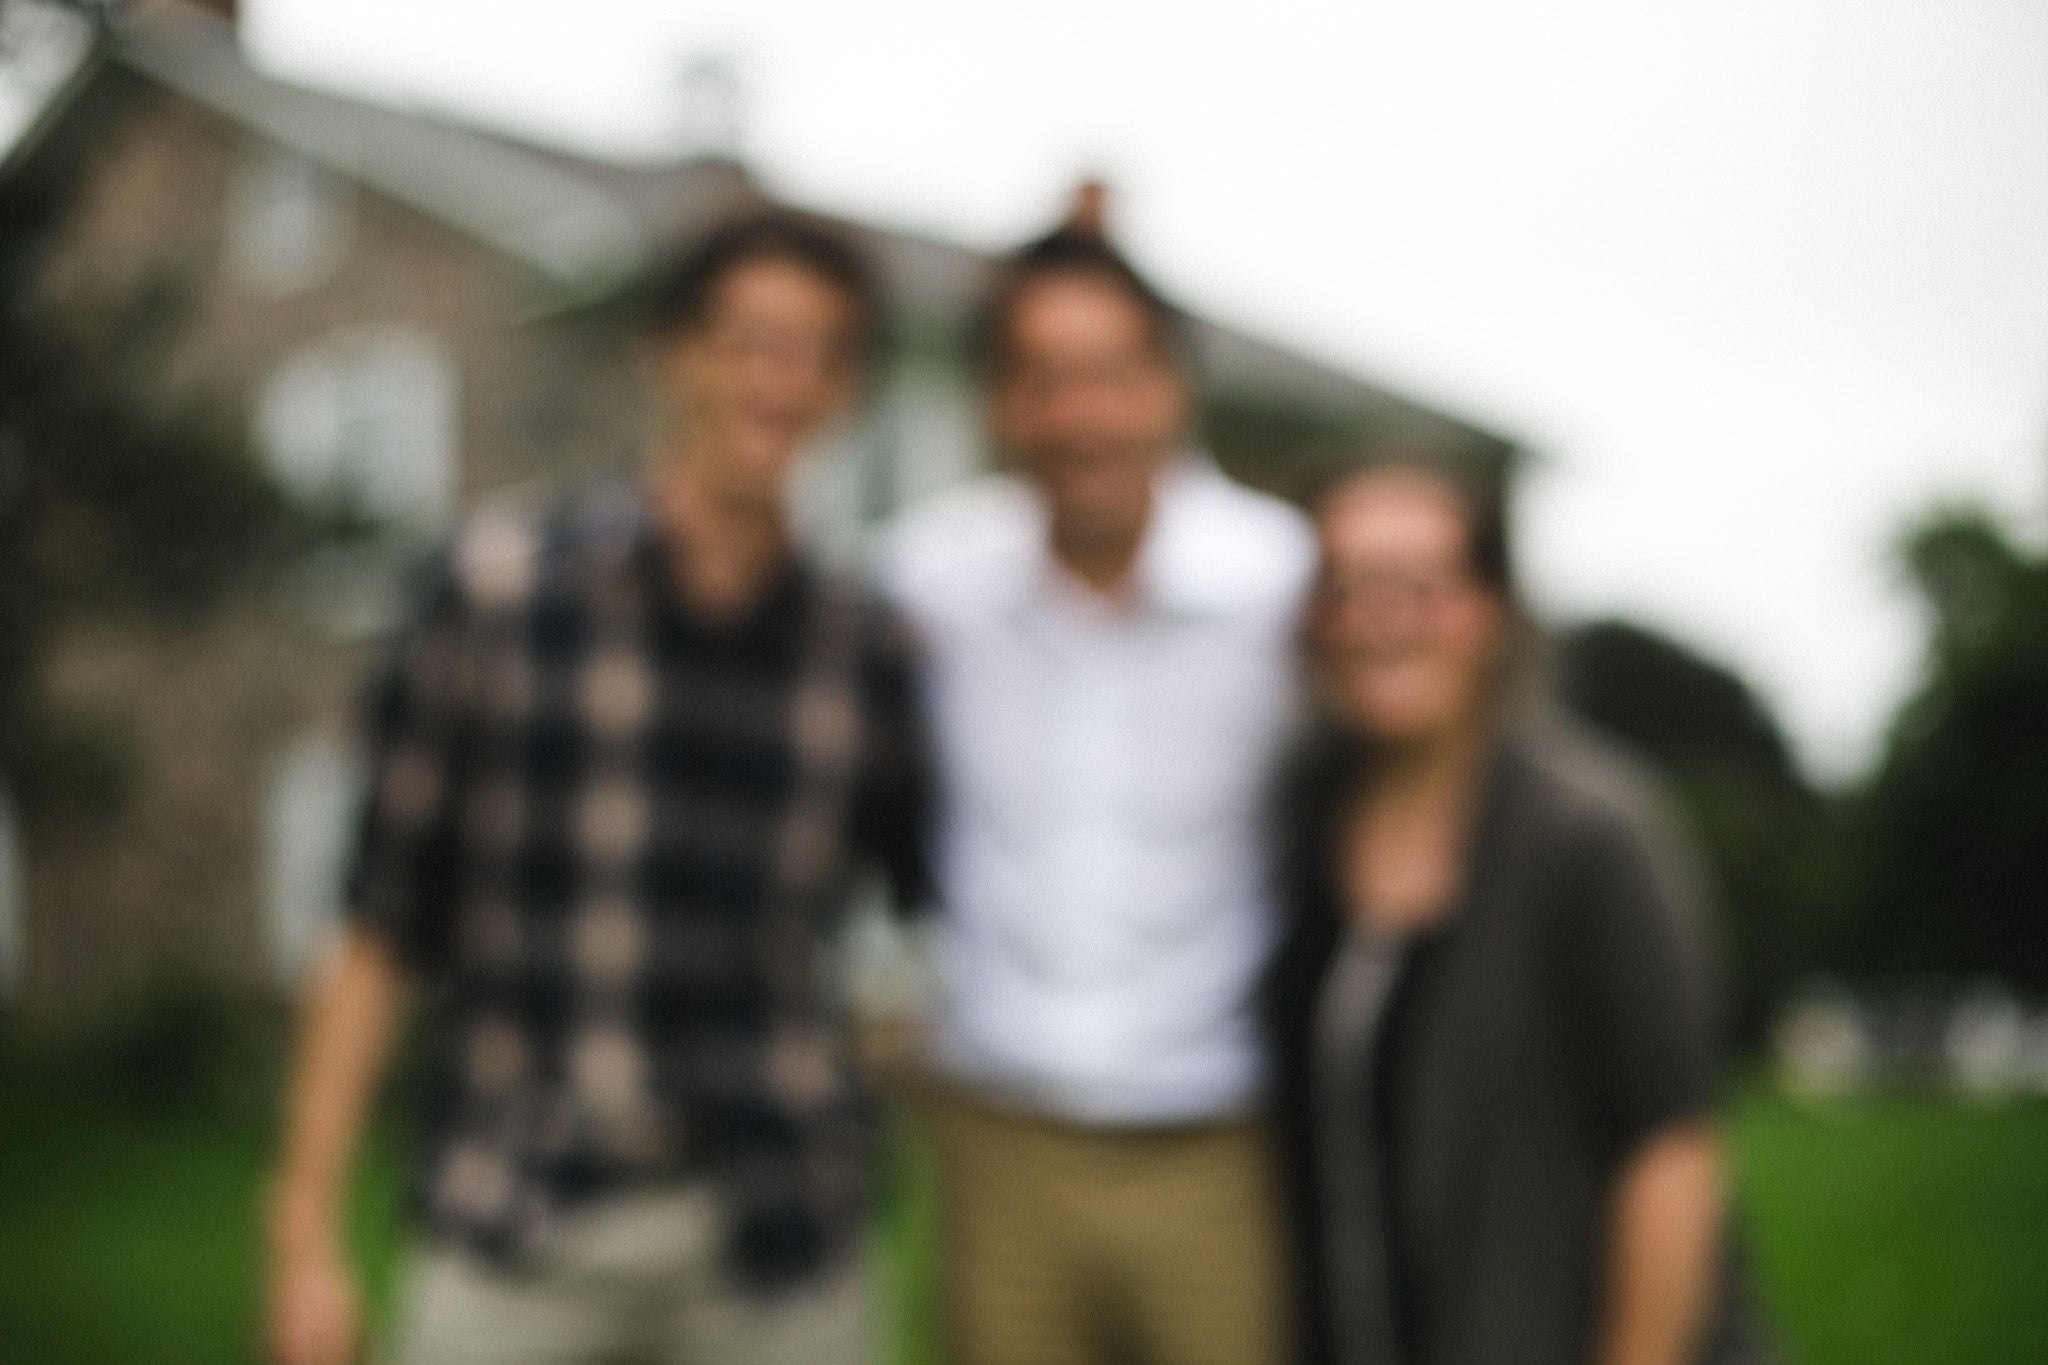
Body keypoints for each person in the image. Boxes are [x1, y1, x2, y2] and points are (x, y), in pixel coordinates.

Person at [262, 211, 928, 1365]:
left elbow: (923, 905)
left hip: (778, 1240)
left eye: (819, 353)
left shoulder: (865, 646)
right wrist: (304, 1235)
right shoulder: (497, 595)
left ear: (846, 393)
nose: (780, 381)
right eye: (749, 341)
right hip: (520, 1219)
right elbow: (378, 924)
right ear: (670, 353)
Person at [877, 222, 1312, 1365]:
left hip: (1218, 1138)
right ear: (996, 404)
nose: (1079, 417)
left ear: (1173, 390)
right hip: (998, 1135)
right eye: (1040, 379)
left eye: (1111, 376)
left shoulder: (1282, 590)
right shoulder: (927, 584)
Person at [1265, 454, 1770, 1365]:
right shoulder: (1296, 820)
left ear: (1491, 610)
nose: (1379, 619)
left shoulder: (1592, 834)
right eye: (1344, 586)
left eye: (1419, 584)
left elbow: (1671, 1152)